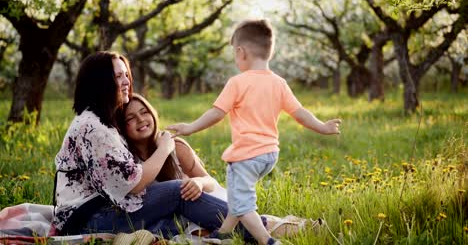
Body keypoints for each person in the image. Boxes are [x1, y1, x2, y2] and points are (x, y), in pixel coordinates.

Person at [168, 19, 341, 245]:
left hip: (246, 156)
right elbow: (300, 113)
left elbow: (217, 113)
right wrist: (323, 127)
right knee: (237, 196)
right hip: (269, 155)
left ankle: (267, 241)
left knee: (243, 204)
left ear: (241, 52)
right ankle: (224, 234)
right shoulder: (279, 83)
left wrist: (190, 127)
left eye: (234, 52)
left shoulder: (238, 82)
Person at [52, 51, 232, 238]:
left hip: (100, 211)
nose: (126, 82)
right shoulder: (93, 128)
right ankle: (254, 225)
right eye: (118, 76)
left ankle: (239, 226)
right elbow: (135, 184)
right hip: (87, 219)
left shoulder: (100, 122)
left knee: (174, 214)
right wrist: (164, 148)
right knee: (178, 192)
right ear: (101, 82)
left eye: (126, 75)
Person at [120, 93, 322, 241]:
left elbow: (210, 181)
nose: (140, 120)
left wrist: (198, 182)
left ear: (153, 114)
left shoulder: (176, 147)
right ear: (122, 126)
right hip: (171, 220)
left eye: (144, 112)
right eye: (130, 118)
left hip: (202, 205)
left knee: (224, 224)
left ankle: (290, 228)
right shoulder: (126, 160)